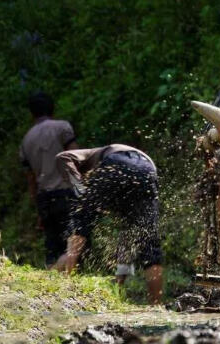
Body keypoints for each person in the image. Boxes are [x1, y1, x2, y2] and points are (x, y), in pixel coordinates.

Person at [52, 144, 163, 305]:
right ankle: (156, 305)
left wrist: (79, 187)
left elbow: (63, 156)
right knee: (149, 242)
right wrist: (118, 283)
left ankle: (65, 289)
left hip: (116, 161)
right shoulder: (123, 198)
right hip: (147, 171)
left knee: (80, 227)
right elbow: (127, 241)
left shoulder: (91, 155)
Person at [20, 92, 79, 268]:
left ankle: (52, 282)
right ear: (52, 109)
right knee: (76, 244)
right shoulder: (62, 127)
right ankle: (57, 277)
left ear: (32, 113)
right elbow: (76, 158)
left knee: (53, 246)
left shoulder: (26, 140)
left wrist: (38, 207)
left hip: (44, 198)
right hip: (66, 193)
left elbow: (30, 178)